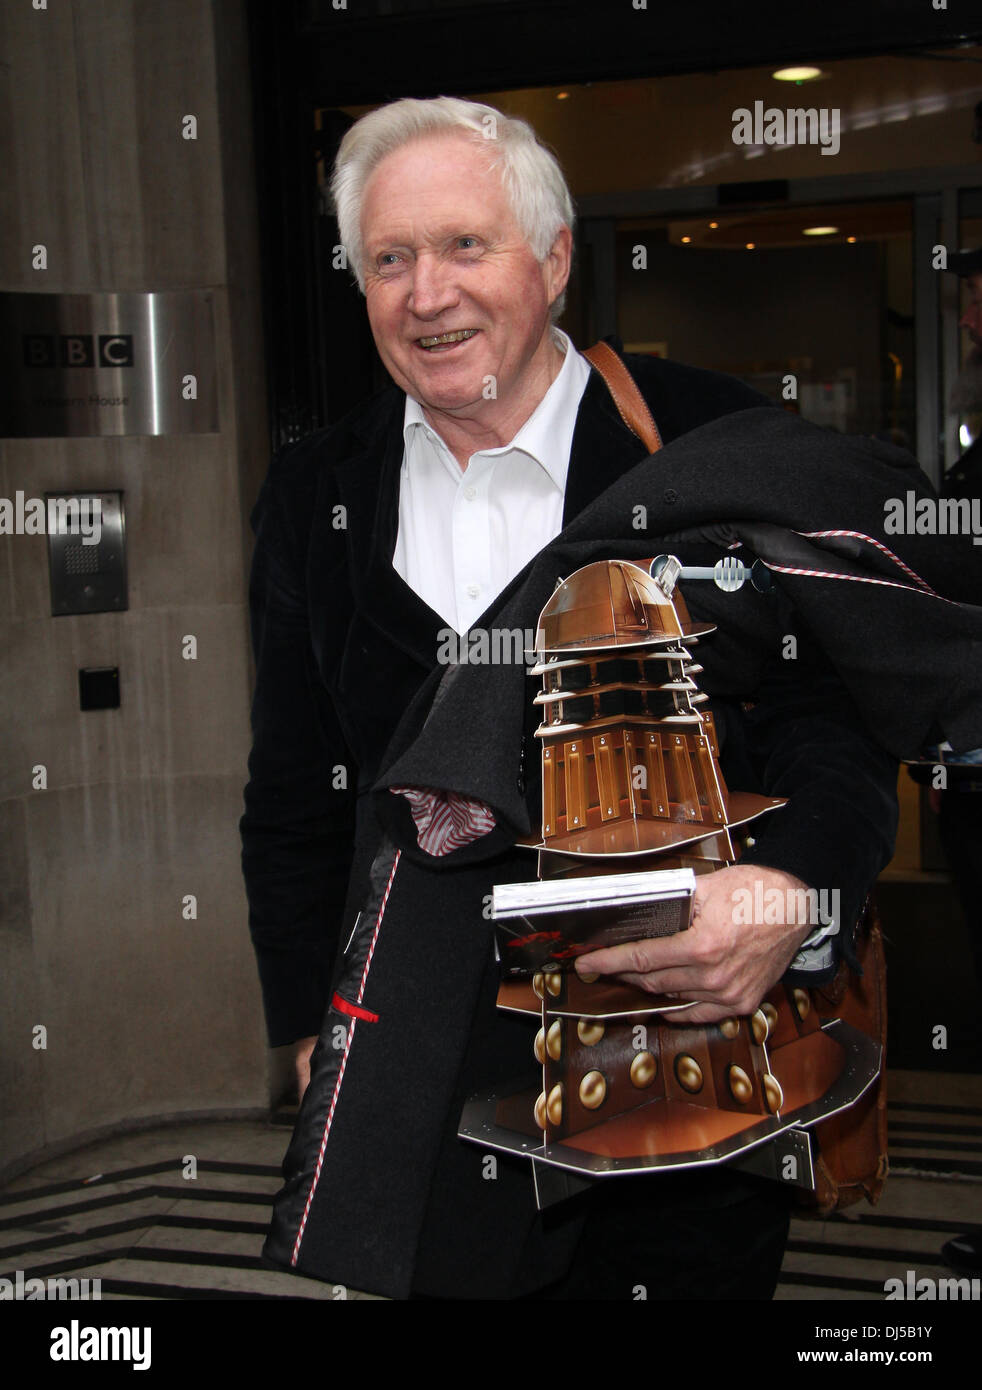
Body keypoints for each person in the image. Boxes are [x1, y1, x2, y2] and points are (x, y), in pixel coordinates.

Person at [239, 97, 947, 1301]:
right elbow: (296, 783)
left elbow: (829, 720)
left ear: (555, 258)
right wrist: (314, 1026)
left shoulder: (707, 436)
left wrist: (790, 890)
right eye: (390, 260)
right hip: (421, 1054)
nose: (427, 294)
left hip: (681, 1036)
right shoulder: (318, 490)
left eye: (466, 246)